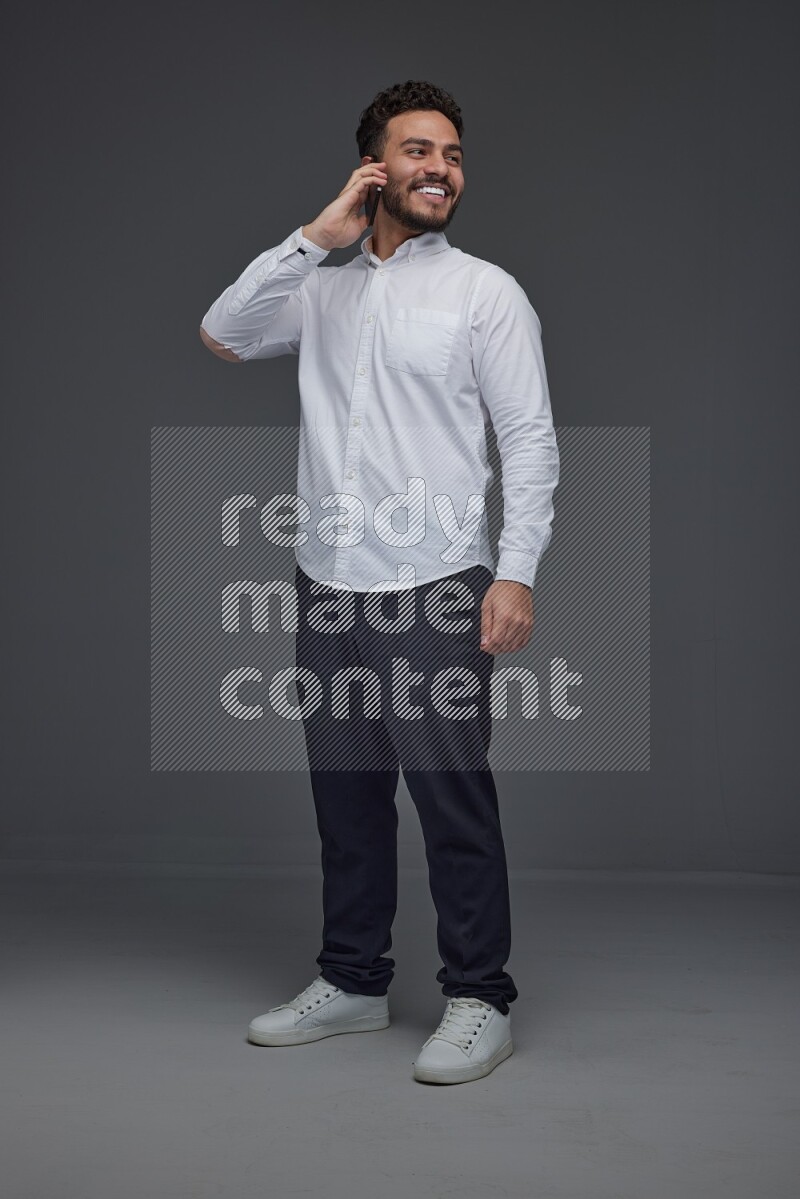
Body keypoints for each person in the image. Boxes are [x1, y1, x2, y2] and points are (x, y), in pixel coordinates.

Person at [199, 80, 560, 1085]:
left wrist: (516, 571)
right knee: (346, 796)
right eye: (417, 150)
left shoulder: (484, 293)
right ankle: (353, 979)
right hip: (327, 582)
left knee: (451, 797)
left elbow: (528, 439)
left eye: (452, 153)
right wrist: (313, 237)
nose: (440, 168)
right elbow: (223, 331)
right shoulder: (318, 288)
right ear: (374, 167)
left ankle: (479, 995)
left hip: (436, 581)